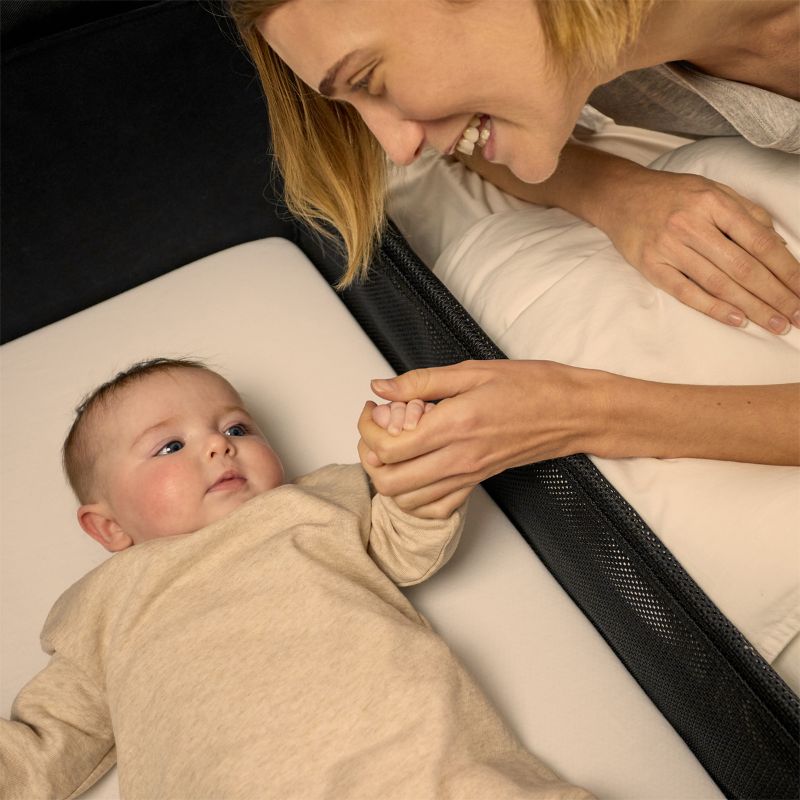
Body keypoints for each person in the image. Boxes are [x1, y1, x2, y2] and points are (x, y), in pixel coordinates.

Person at [226, 0, 800, 511]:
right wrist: (614, 192)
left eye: (371, 79)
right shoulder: (586, 47)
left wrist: (584, 412)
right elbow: (477, 138)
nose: (399, 148)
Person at [0, 358, 592, 800]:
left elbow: (405, 548)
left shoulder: (315, 501)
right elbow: (48, 741)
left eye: (236, 429)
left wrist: (416, 474)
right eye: (170, 446)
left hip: (411, 756)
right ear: (108, 528)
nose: (218, 446)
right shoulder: (105, 604)